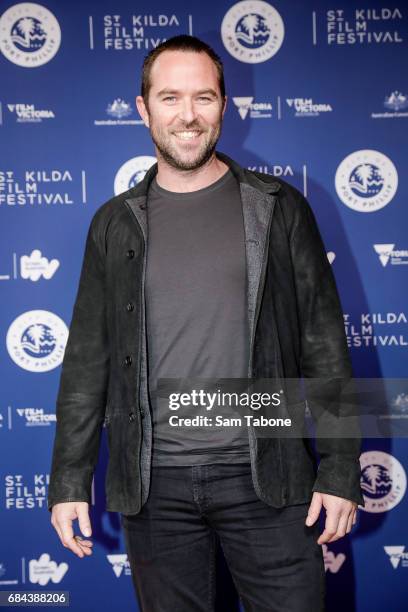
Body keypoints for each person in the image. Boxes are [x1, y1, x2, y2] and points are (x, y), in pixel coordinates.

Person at [48, 35, 364, 611]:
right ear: (144, 109)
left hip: (267, 476)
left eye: (204, 98)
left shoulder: (279, 207)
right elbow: (87, 360)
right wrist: (69, 480)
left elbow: (325, 345)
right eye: (170, 98)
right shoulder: (113, 225)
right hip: (155, 486)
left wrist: (341, 466)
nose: (188, 116)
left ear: (224, 106)